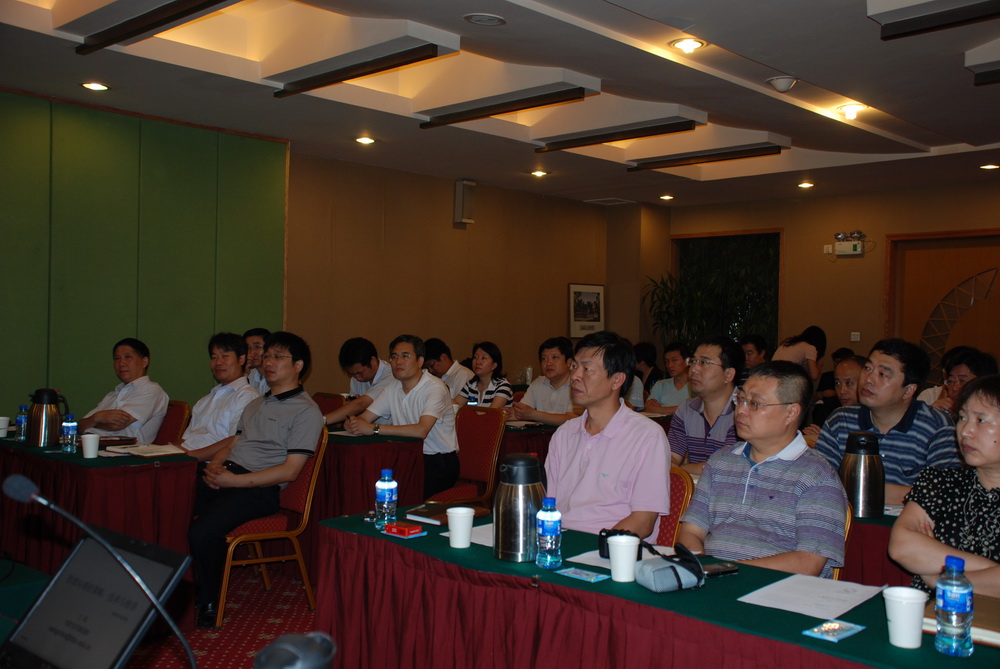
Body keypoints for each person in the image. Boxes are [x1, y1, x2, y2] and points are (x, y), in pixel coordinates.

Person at [188, 331, 324, 628]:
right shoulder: (257, 403)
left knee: (203, 531)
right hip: (228, 474)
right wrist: (215, 466)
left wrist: (232, 481)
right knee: (168, 503)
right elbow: (234, 443)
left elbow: (290, 471)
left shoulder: (306, 411)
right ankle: (173, 588)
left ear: (298, 365)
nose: (268, 363)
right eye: (267, 357)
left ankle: (209, 603)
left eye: (278, 357)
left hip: (259, 489)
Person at [677, 361, 848, 578]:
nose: (741, 410)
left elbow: (808, 562)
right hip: (714, 581)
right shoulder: (721, 462)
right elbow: (691, 531)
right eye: (740, 400)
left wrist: (728, 571)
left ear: (791, 413)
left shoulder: (817, 477)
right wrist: (701, 569)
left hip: (777, 589)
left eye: (755, 404)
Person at [544, 331, 670, 540]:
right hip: (561, 543)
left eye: (587, 369)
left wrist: (600, 548)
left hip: (613, 549)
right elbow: (549, 504)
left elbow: (643, 521)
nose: (575, 376)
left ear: (617, 380)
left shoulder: (647, 436)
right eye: (574, 366)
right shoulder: (564, 434)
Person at [888, 375, 1000, 596]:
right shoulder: (941, 482)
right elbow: (901, 547)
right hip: (933, 612)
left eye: (981, 420)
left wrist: (939, 579)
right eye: (962, 417)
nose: (965, 431)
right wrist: (991, 572)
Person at [814, 338, 961, 505]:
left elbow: (945, 494)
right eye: (868, 368)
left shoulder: (937, 426)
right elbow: (817, 482)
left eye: (882, 374)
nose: (868, 379)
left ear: (908, 390)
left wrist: (864, 490)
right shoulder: (841, 421)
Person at [345, 335, 459, 499]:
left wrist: (374, 429)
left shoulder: (435, 388)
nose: (398, 361)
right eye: (394, 357)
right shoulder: (393, 387)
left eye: (405, 356)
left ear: (420, 361)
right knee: (369, 485)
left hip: (437, 461)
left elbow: (421, 430)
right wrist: (353, 423)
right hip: (406, 458)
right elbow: (364, 419)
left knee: (402, 500)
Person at [177, 332, 261, 458]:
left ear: (241, 359)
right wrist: (165, 451)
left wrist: (191, 457)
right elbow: (186, 440)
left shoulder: (247, 396)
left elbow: (236, 440)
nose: (218, 362)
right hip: (187, 459)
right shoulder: (205, 400)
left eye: (225, 356)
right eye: (214, 357)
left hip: (212, 463)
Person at [667, 336, 742, 476]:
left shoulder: (744, 411)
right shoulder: (686, 409)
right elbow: (670, 458)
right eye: (693, 361)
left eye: (704, 363)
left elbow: (726, 467)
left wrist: (681, 469)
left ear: (728, 374)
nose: (694, 369)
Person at [79, 338, 169, 444]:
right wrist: (96, 417)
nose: (121, 363)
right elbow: (79, 426)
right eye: (117, 358)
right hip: (92, 444)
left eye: (128, 357)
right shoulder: (112, 395)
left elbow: (116, 425)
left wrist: (94, 420)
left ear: (144, 362)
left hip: (124, 450)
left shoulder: (151, 390)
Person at [322, 337, 393, 426]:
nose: (358, 378)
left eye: (360, 373)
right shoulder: (356, 376)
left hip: (387, 431)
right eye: (352, 374)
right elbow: (353, 408)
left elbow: (361, 404)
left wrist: (322, 421)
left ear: (373, 361)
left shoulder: (391, 375)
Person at [511, 337, 580, 426]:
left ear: (569, 362)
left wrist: (534, 415)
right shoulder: (538, 383)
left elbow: (573, 418)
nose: (548, 363)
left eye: (554, 357)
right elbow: (521, 412)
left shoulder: (578, 384)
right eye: (544, 358)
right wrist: (504, 414)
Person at [804, 354, 865, 437]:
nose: (842, 391)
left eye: (849, 383)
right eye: (837, 383)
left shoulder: (876, 416)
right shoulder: (829, 411)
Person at [928, 349, 998, 418]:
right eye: (951, 381)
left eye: (962, 381)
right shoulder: (945, 411)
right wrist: (932, 413)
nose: (955, 388)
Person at [454, 341, 513, 409]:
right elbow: (456, 405)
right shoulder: (471, 385)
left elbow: (492, 412)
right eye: (475, 357)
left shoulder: (503, 386)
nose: (478, 362)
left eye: (483, 358)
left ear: (494, 365)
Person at [645, 342, 691, 416]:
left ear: (687, 361)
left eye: (674, 360)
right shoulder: (661, 385)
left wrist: (660, 409)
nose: (669, 365)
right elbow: (648, 408)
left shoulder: (696, 385)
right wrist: (682, 409)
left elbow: (694, 410)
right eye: (667, 361)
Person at [243, 328, 271, 396]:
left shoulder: (276, 377)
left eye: (257, 347)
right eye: (247, 348)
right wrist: (244, 374)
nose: (251, 352)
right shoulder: (250, 374)